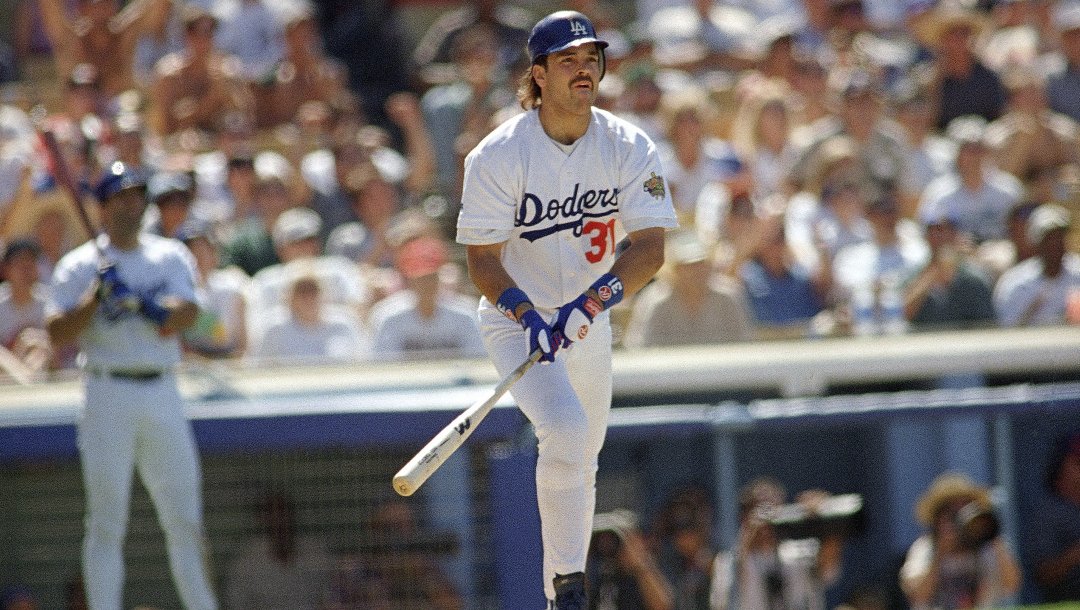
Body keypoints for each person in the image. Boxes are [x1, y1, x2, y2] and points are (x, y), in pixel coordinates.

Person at [454, 10, 677, 608]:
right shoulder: (498, 153)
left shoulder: (628, 143)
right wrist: (530, 317)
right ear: (540, 74)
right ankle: (567, 589)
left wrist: (591, 303)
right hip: (514, 321)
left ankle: (563, 590)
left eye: (591, 58)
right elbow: (482, 261)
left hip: (587, 315)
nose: (584, 70)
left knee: (587, 453)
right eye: (568, 61)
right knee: (567, 431)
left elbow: (650, 247)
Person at [43, 162, 217, 610]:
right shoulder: (79, 265)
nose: (132, 204)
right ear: (103, 205)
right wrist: (94, 298)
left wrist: (143, 303)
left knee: (184, 520)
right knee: (105, 522)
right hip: (106, 390)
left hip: (162, 389)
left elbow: (187, 314)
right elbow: (57, 332)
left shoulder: (168, 254)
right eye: (121, 197)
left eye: (137, 195)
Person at [710, 477, 846, 610]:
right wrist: (749, 535)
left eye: (774, 509)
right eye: (759, 510)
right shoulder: (729, 561)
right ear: (744, 516)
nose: (768, 520)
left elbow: (827, 568)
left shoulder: (799, 551)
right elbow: (722, 604)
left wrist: (824, 517)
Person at [899, 472, 1022, 610]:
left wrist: (991, 533)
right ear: (938, 519)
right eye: (952, 513)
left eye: (966, 508)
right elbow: (918, 595)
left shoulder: (987, 547)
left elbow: (1012, 585)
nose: (960, 519)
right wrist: (940, 554)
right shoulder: (925, 548)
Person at [622, 231, 755, 347]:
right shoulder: (656, 301)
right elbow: (639, 348)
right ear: (675, 269)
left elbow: (744, 344)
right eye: (689, 266)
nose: (697, 271)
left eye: (702, 263)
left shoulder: (728, 297)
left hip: (722, 374)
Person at [368, 234, 485, 360]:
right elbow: (383, 367)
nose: (426, 284)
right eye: (420, 279)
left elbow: (478, 361)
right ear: (409, 281)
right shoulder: (388, 316)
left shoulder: (465, 315)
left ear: (439, 277)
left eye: (431, 278)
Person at [225, 491, 333, 610]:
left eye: (282, 512)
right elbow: (236, 602)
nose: (278, 519)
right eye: (271, 513)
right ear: (261, 519)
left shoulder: (315, 550)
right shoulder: (247, 559)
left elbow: (333, 594)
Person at [993, 203, 1080, 326]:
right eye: (1049, 239)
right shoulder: (1015, 283)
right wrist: (1033, 309)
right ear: (1036, 242)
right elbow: (1007, 331)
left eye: (1059, 238)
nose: (1055, 245)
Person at [586, 509, 675, 610]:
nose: (607, 544)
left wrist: (640, 565)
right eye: (601, 538)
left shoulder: (661, 564)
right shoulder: (598, 570)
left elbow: (664, 607)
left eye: (613, 538)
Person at [1033, 429, 1080, 602]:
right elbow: (1043, 575)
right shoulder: (1049, 511)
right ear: (1060, 465)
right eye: (1078, 462)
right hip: (1066, 598)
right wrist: (1075, 554)